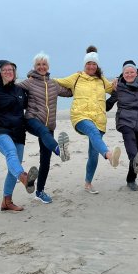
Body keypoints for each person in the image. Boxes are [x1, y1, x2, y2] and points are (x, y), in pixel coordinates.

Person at [0, 53, 73, 204]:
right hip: (32, 120)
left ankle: (39, 192)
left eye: (44, 64)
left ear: (48, 66)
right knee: (43, 132)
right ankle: (59, 150)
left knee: (45, 160)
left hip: (49, 123)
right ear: (34, 67)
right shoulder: (28, 83)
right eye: (38, 64)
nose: (41, 67)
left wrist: (81, 81)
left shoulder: (54, 84)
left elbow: (70, 92)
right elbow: (9, 86)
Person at [54, 46, 121, 194]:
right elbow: (55, 82)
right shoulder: (76, 77)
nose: (91, 66)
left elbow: (115, 89)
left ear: (97, 66)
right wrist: (35, 77)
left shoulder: (101, 80)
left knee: (93, 153)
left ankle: (88, 183)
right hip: (80, 116)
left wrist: (118, 81)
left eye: (94, 64)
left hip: (99, 119)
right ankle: (110, 156)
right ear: (84, 65)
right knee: (91, 130)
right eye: (88, 64)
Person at [0, 60, 38, 212]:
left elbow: (32, 100)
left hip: (18, 132)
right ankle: (24, 178)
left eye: (11, 69)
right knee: (11, 154)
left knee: (13, 165)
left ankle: (7, 201)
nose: (8, 72)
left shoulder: (19, 91)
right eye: (5, 70)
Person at [106, 60, 138, 191]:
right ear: (122, 74)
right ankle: (134, 159)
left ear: (136, 73)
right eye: (126, 72)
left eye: (131, 72)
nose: (129, 75)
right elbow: (108, 104)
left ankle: (131, 180)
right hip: (125, 120)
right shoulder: (118, 86)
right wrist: (95, 107)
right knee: (130, 141)